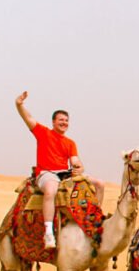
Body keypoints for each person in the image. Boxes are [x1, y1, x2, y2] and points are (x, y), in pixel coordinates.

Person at [15, 91, 95, 248]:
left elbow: (74, 160)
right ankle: (48, 232)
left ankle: (94, 222)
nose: (64, 123)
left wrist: (80, 167)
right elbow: (28, 118)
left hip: (64, 175)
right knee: (51, 190)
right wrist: (19, 104)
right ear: (53, 122)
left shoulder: (70, 143)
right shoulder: (43, 133)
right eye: (61, 120)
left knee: (98, 184)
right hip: (46, 173)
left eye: (66, 120)